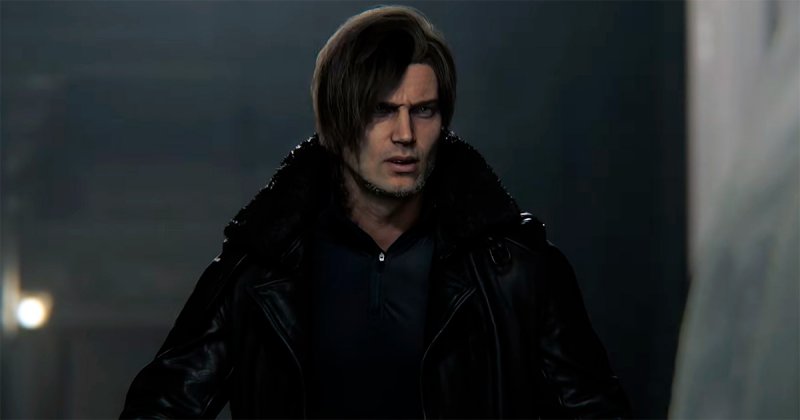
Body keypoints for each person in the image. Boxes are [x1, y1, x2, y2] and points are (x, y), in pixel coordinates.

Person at [121, 5, 630, 419]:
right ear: (337, 122)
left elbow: (595, 410)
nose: (405, 135)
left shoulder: (515, 269)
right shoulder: (259, 271)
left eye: (423, 110)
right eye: (381, 110)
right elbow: (163, 407)